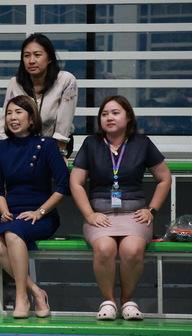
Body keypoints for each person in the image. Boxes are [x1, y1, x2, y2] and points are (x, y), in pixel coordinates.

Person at [70, 95, 171, 321]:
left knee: (131, 250)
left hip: (134, 215)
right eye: (105, 114)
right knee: (105, 247)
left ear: (128, 117)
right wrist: (89, 214)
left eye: (115, 113)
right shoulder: (91, 144)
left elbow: (165, 178)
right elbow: (75, 183)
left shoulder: (142, 143)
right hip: (100, 215)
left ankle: (127, 301)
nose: (109, 118)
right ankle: (109, 302)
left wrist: (152, 210)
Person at [0, 95, 70, 318]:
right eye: (9, 113)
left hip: (41, 214)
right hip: (11, 214)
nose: (12, 118)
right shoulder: (0, 149)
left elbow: (64, 186)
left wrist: (40, 212)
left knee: (12, 235)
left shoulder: (47, 145)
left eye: (18, 112)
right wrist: (4, 210)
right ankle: (36, 291)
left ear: (31, 118)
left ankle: (21, 296)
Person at [0, 33, 78, 170]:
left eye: (37, 55)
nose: (31, 61)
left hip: (55, 143)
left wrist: (60, 153)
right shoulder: (15, 82)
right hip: (23, 143)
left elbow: (64, 121)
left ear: (49, 58)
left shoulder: (66, 80)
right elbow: (4, 119)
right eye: (26, 56)